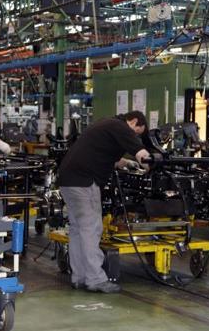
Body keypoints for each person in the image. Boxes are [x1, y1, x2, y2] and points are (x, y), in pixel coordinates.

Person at [57, 111, 151, 293]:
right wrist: (152, 164)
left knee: (78, 230)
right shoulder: (121, 127)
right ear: (133, 121)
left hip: (67, 179)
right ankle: (95, 279)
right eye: (137, 132)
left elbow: (108, 155)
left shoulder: (105, 123)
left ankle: (80, 277)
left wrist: (128, 164)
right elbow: (142, 154)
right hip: (84, 182)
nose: (135, 136)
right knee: (92, 228)